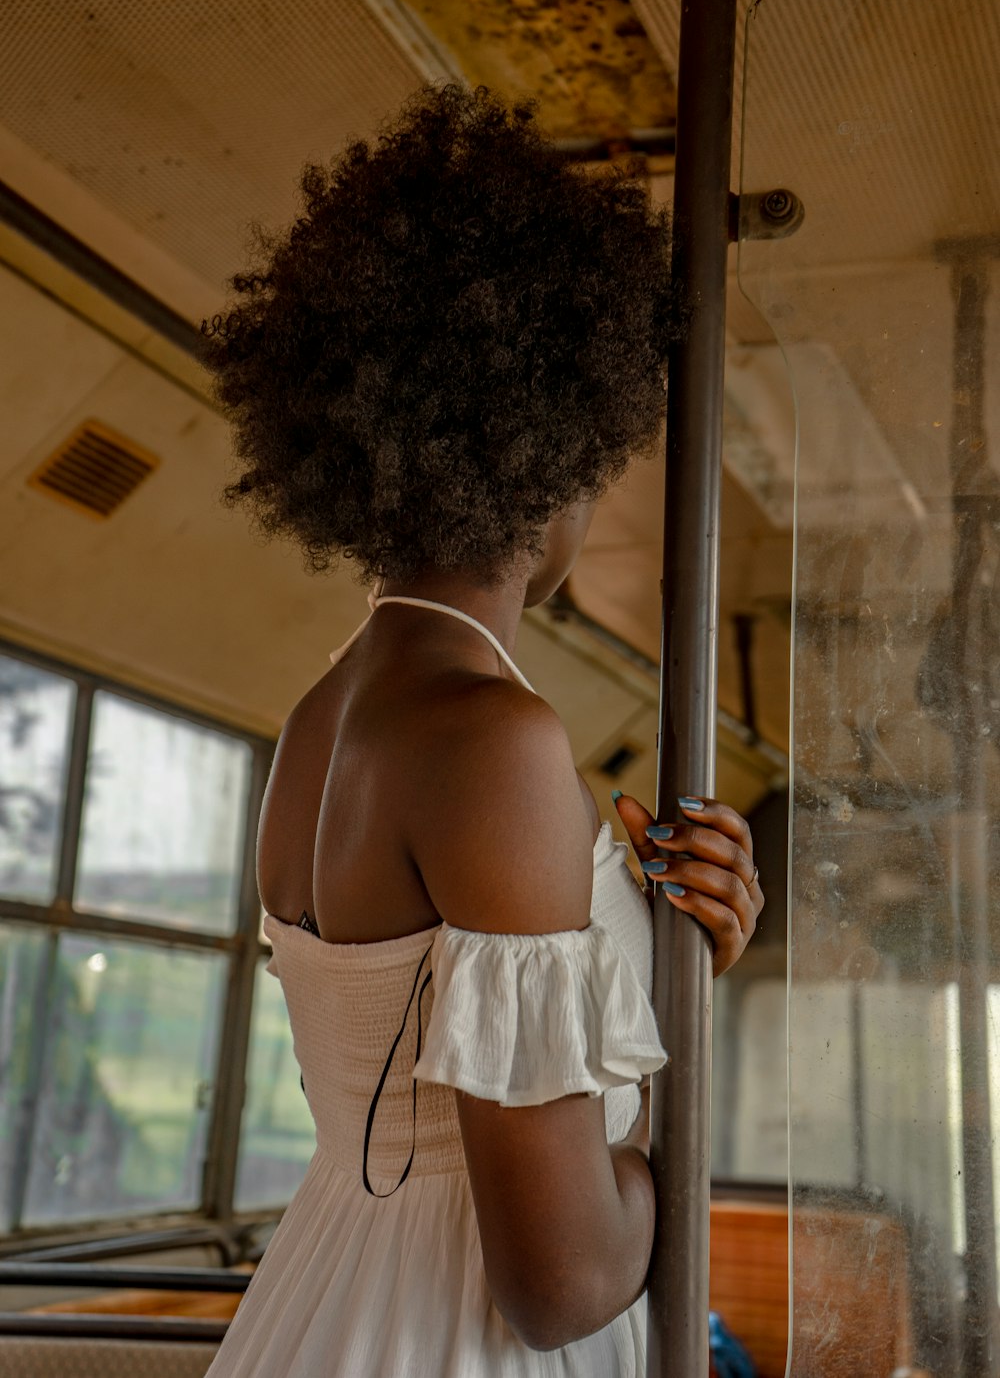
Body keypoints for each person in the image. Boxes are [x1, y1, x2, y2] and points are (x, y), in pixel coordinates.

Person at [201, 85, 763, 1377]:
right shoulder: (494, 737)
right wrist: (680, 1057)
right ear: (563, 444)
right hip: (454, 1340)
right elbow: (563, 1283)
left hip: (329, 1296)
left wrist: (676, 963)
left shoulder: (321, 717)